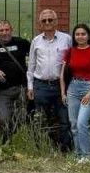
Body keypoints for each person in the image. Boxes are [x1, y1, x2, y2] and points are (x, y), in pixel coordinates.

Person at [26, 8, 72, 151]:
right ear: (40, 23)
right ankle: (42, 148)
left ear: (56, 21)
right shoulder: (36, 41)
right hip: (41, 86)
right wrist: (30, 86)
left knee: (64, 119)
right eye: (44, 20)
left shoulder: (66, 39)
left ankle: (65, 149)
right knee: (40, 119)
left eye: (50, 20)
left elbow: (72, 61)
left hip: (61, 86)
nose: (47, 22)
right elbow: (31, 65)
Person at [62, 23, 90, 163]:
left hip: (89, 88)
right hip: (73, 88)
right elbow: (62, 75)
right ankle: (78, 153)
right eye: (77, 34)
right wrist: (63, 92)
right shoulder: (70, 51)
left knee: (82, 122)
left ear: (88, 36)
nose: (80, 36)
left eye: (83, 34)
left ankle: (87, 155)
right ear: (74, 36)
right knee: (74, 124)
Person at [0, 20, 30, 139]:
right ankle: (6, 140)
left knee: (22, 118)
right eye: (1, 30)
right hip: (4, 90)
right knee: (4, 119)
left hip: (22, 87)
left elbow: (35, 55)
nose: (5, 33)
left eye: (7, 30)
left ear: (11, 30)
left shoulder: (21, 42)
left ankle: (18, 140)